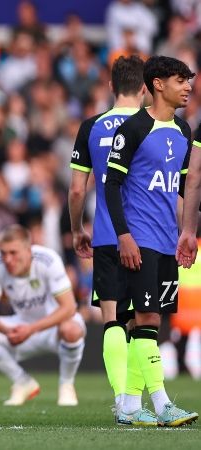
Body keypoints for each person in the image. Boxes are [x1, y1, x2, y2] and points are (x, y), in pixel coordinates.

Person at [105, 55, 198, 427]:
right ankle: (161, 405)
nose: (188, 86)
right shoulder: (133, 129)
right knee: (146, 318)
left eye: (189, 80)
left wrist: (187, 234)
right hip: (139, 238)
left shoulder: (184, 131)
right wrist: (124, 236)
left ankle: (129, 406)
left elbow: (181, 191)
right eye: (181, 80)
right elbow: (110, 185)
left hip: (166, 241)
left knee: (148, 323)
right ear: (158, 84)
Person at [68, 55, 151, 423]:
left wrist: (75, 229)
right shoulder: (156, 126)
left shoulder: (92, 126)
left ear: (110, 86)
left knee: (112, 319)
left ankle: (123, 402)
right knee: (143, 323)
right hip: (150, 236)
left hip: (106, 235)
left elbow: (75, 191)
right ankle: (140, 402)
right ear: (146, 87)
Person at [0, 225, 85, 406]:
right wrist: (6, 329)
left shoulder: (47, 260)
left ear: (29, 251)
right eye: (3, 253)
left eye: (13, 253)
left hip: (52, 326)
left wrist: (31, 329)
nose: (8, 259)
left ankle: (66, 385)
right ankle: (23, 382)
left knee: (72, 329)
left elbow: (69, 308)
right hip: (20, 326)